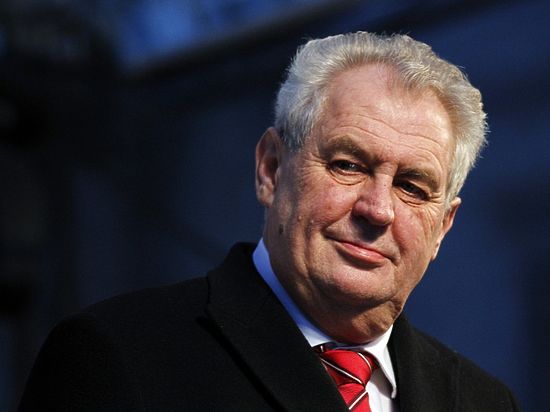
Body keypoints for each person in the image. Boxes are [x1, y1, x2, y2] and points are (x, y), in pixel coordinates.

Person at [19, 32, 520, 411]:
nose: (378, 209)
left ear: (443, 227)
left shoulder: (485, 403)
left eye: (412, 187)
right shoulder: (117, 357)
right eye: (348, 165)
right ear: (271, 169)